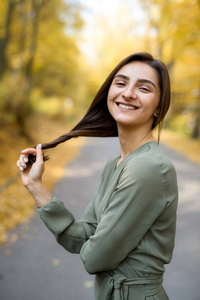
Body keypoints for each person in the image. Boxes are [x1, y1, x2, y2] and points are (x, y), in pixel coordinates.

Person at [17, 52, 178, 300]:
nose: (128, 93)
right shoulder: (115, 164)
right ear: (109, 94)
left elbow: (94, 256)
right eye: (121, 83)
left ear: (159, 107)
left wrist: (93, 244)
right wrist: (36, 186)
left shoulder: (147, 168)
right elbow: (81, 237)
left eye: (144, 88)